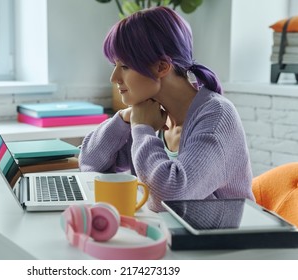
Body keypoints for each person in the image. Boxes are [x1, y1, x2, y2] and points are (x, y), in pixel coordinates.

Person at [79, 6, 255, 212]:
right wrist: (124, 119)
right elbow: (90, 162)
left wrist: (142, 128)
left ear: (162, 67)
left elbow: (170, 197)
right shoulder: (153, 114)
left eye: (125, 66)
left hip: (226, 241)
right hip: (175, 237)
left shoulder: (216, 115)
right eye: (114, 66)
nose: (114, 78)